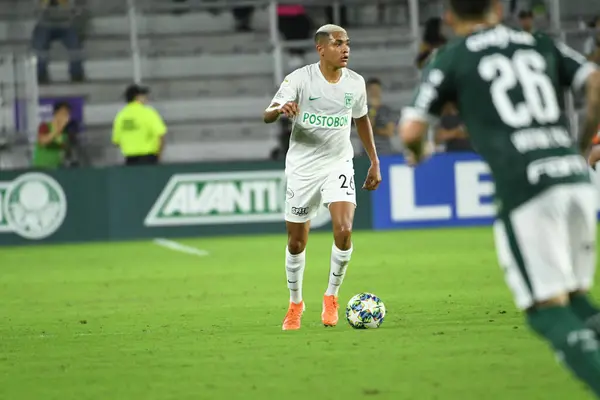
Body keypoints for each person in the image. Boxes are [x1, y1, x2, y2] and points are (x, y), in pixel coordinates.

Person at [399, 0, 600, 396]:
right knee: (577, 300)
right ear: (496, 8)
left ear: (452, 18)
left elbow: (410, 131)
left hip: (525, 185)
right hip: (574, 178)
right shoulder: (539, 41)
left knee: (547, 311)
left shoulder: (451, 57)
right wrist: (578, 145)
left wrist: (418, 153)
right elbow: (595, 83)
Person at [263, 24, 382, 331]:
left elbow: (361, 120)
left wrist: (374, 161)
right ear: (321, 48)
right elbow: (268, 112)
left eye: (348, 43)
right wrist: (279, 109)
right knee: (296, 243)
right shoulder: (300, 78)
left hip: (338, 164)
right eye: (339, 43)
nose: (346, 49)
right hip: (303, 169)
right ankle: (295, 304)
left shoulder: (355, 83)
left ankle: (331, 296)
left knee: (343, 230)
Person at [112, 84, 167, 166]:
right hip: (148, 158)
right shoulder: (148, 112)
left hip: (130, 160)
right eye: (143, 95)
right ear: (137, 97)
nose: (146, 97)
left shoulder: (121, 115)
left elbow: (116, 141)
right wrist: (159, 156)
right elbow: (161, 135)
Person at [32, 0, 85, 83]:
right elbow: (35, 10)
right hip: (44, 24)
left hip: (67, 24)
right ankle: (40, 74)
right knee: (40, 44)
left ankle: (76, 74)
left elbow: (76, 10)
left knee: (75, 45)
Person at [32, 101, 71, 168]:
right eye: (62, 114)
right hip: (40, 167)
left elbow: (64, 151)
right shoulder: (45, 126)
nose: (64, 117)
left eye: (66, 115)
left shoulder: (65, 133)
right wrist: (57, 130)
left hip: (56, 168)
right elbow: (43, 141)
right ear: (55, 114)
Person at [366, 78, 396, 155]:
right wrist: (373, 109)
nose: (374, 92)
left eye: (376, 89)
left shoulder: (387, 110)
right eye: (372, 89)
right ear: (367, 91)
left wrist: (375, 131)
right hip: (367, 153)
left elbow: (390, 132)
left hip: (385, 152)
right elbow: (367, 129)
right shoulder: (363, 110)